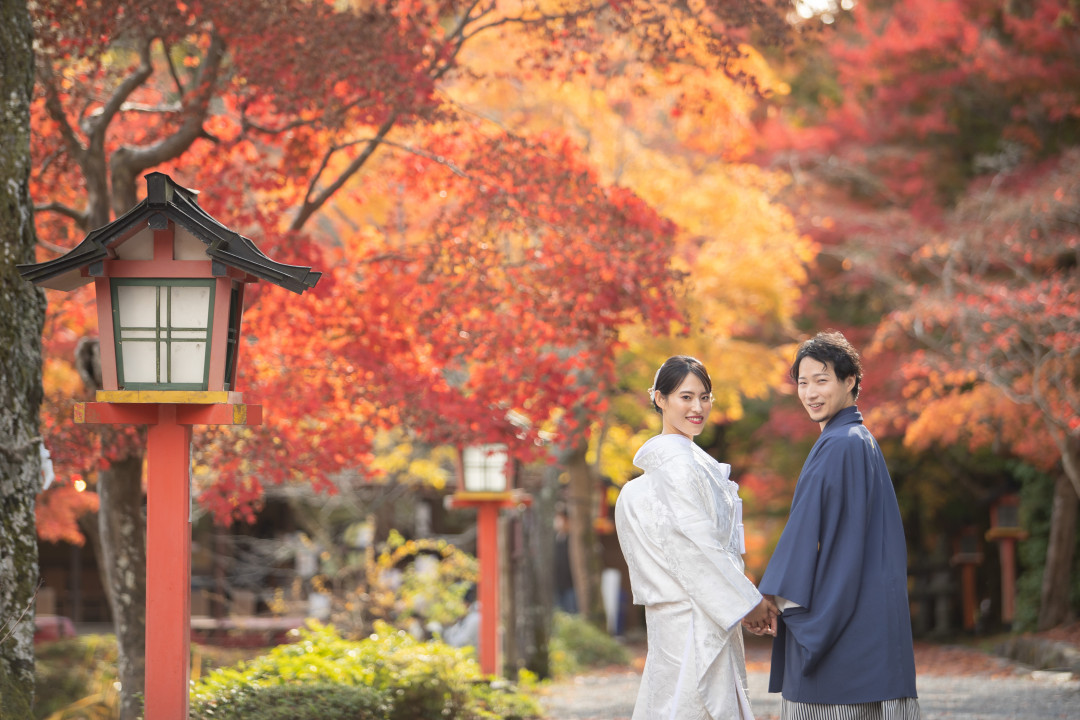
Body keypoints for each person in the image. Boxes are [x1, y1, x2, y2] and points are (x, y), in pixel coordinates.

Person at [754, 331, 921, 720]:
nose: (811, 392)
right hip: (867, 619)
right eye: (803, 382)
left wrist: (772, 599)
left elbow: (804, 533)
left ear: (850, 382)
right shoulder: (857, 439)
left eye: (822, 380)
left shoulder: (840, 444)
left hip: (841, 627)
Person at [615, 355, 776, 720]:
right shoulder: (679, 466)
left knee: (672, 703)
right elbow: (698, 547)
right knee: (694, 704)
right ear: (660, 399)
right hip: (694, 616)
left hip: (686, 614)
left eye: (705, 397)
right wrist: (747, 600)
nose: (697, 407)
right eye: (685, 397)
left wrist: (740, 600)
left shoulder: (675, 467)